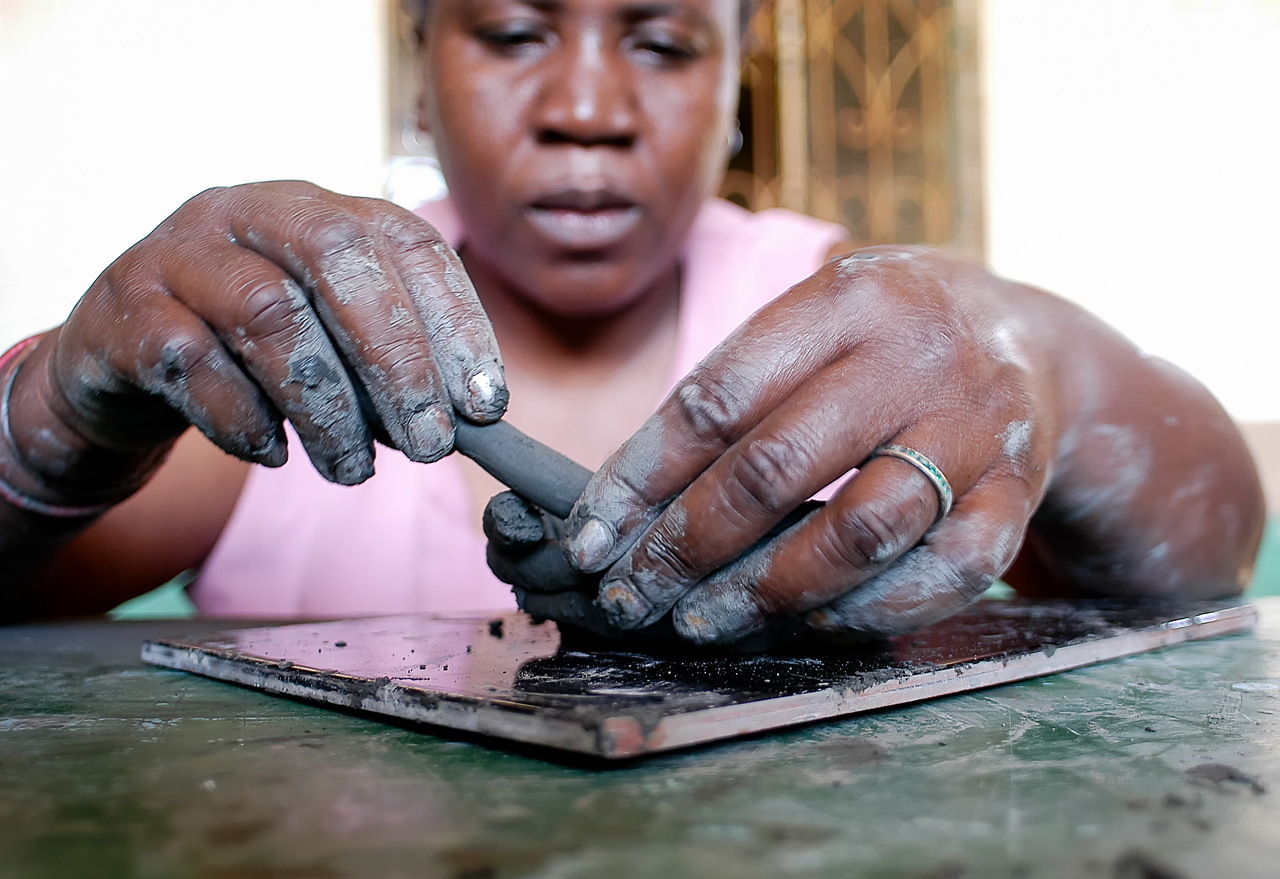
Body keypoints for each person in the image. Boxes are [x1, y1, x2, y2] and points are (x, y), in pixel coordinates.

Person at [0, 0, 1265, 646]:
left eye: (661, 42)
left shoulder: (855, 326)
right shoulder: (289, 339)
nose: (589, 106)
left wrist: (1046, 353)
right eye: (511, 32)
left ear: (733, 80)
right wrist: (54, 411)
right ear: (420, 76)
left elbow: (1204, 556)